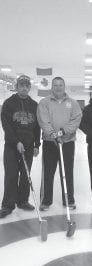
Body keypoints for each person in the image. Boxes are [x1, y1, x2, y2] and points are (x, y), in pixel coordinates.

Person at [37, 77, 82, 211]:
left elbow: (76, 119)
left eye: (60, 85)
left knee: (67, 172)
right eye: (55, 85)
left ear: (64, 86)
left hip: (67, 142)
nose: (58, 87)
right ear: (52, 86)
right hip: (50, 143)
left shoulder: (73, 103)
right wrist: (52, 134)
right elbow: (43, 121)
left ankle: (69, 200)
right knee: (48, 172)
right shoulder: (44, 102)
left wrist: (63, 132)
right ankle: (45, 201)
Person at [0, 75, 40, 218]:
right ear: (16, 87)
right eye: (21, 85)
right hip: (12, 146)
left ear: (29, 88)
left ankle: (22, 201)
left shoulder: (34, 105)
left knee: (25, 174)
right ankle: (7, 205)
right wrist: (16, 141)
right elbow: (6, 125)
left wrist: (37, 145)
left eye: (26, 85)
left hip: (29, 146)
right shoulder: (9, 103)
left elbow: (37, 127)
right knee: (11, 174)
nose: (24, 88)